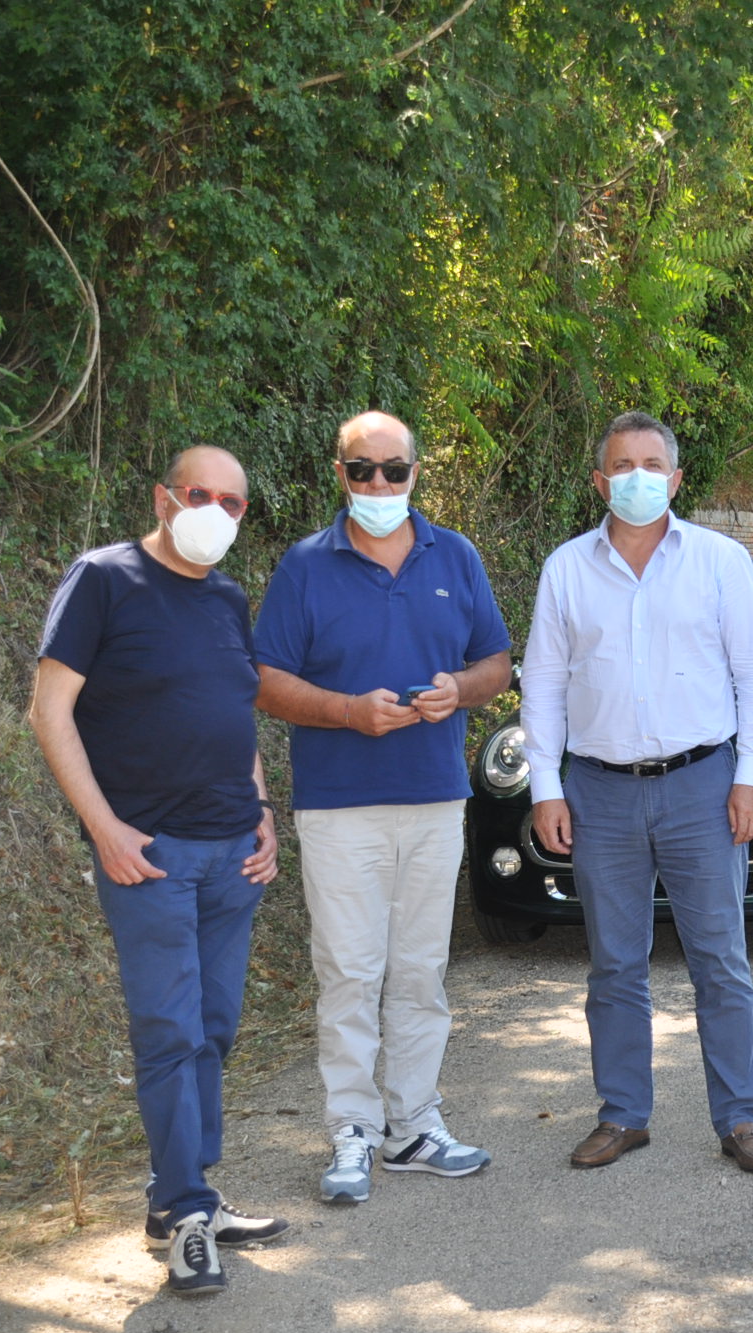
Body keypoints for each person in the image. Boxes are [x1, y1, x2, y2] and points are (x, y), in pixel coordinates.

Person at [29, 445, 288, 1296]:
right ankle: (186, 1215)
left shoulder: (225, 598)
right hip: (149, 858)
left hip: (231, 857)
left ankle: (185, 1196)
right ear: (164, 497)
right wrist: (102, 827)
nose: (216, 509)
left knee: (213, 1027)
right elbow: (50, 709)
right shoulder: (103, 579)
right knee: (170, 1032)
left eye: (233, 501)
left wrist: (262, 813)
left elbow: (233, 715)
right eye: (200, 493)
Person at [253, 411, 513, 1202]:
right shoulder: (304, 567)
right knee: (349, 972)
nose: (377, 485)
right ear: (339, 474)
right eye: (361, 470)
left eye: (392, 471)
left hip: (435, 797)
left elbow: (496, 664)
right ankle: (352, 1134)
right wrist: (346, 711)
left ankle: (415, 1125)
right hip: (339, 805)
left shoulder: (455, 555)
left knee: (420, 971)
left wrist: (457, 691)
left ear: (415, 472)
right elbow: (265, 681)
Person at [519, 410, 753, 1174]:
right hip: (598, 790)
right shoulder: (567, 568)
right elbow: (540, 682)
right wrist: (545, 786)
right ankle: (623, 1115)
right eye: (620, 466)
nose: (635, 478)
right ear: (599, 481)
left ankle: (740, 1119)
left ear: (675, 478)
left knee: (721, 961)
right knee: (614, 964)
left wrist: (750, 776)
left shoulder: (720, 560)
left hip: (703, 783)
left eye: (650, 464)